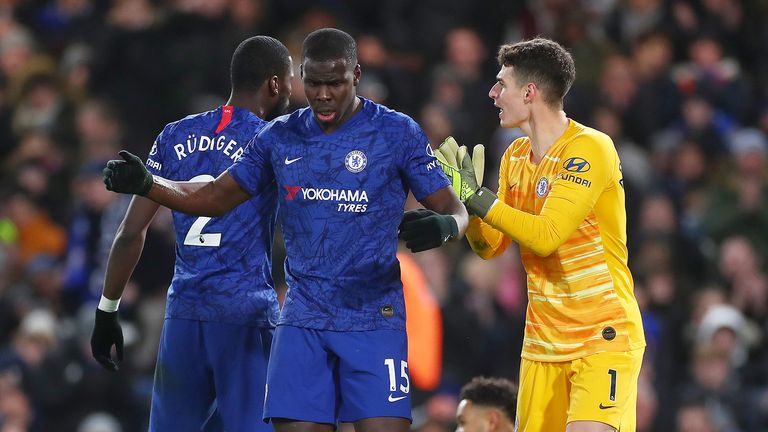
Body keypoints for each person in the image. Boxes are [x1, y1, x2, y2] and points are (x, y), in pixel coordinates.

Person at [101, 28, 468, 432]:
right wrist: (148, 184)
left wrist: (448, 225)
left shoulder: (396, 132)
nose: (322, 93)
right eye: (311, 82)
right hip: (284, 317)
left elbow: (452, 207)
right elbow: (215, 196)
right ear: (293, 79)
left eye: (334, 83)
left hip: (362, 316)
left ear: (356, 75)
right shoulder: (276, 136)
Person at [436, 38, 645, 432]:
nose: (492, 93)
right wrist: (470, 205)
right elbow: (490, 248)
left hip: (600, 336)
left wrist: (479, 199)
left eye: (501, 84)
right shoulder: (515, 157)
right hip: (541, 345)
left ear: (529, 92)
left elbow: (546, 236)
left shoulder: (589, 149)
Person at [90, 36, 293, 432]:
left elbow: (131, 231)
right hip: (244, 313)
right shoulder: (272, 141)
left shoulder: (174, 135)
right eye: (289, 80)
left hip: (184, 312)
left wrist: (106, 309)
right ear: (274, 84)